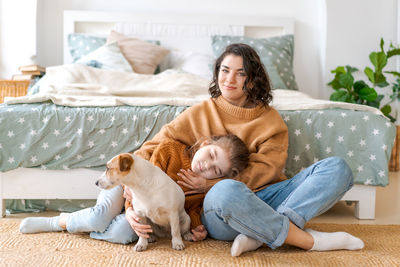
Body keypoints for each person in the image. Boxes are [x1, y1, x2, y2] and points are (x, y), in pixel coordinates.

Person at [128, 43, 364, 256]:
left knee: (338, 168)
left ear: (252, 80)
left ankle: (258, 234)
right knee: (226, 189)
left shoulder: (271, 121)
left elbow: (269, 170)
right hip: (222, 207)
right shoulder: (200, 112)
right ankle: (307, 240)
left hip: (268, 196)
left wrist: (210, 182)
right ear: (217, 72)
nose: (230, 79)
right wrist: (130, 189)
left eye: (240, 73)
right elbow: (151, 148)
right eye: (225, 70)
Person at [19, 134, 250, 244]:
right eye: (211, 155)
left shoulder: (204, 190)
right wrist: (129, 209)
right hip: (124, 185)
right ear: (205, 144)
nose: (206, 166)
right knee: (100, 216)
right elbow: (145, 176)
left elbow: (189, 212)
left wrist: (197, 228)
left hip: (145, 213)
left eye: (215, 171)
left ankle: (83, 226)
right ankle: (59, 221)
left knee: (124, 234)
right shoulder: (171, 150)